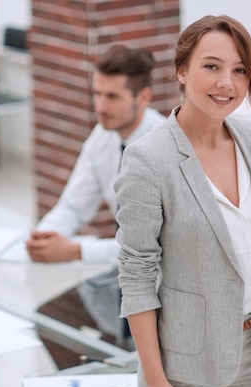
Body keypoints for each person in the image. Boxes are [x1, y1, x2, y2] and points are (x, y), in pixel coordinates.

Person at [115, 15, 251, 387]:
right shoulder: (148, 160)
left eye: (239, 71)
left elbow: (243, 225)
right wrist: (155, 381)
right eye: (211, 66)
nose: (226, 83)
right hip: (184, 365)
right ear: (182, 71)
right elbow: (136, 275)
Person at [25, 44, 166, 266]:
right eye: (97, 94)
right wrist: (43, 237)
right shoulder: (102, 135)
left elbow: (151, 246)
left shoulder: (165, 148)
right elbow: (73, 207)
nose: (100, 106)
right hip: (126, 275)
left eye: (112, 97)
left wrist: (76, 250)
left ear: (144, 97)